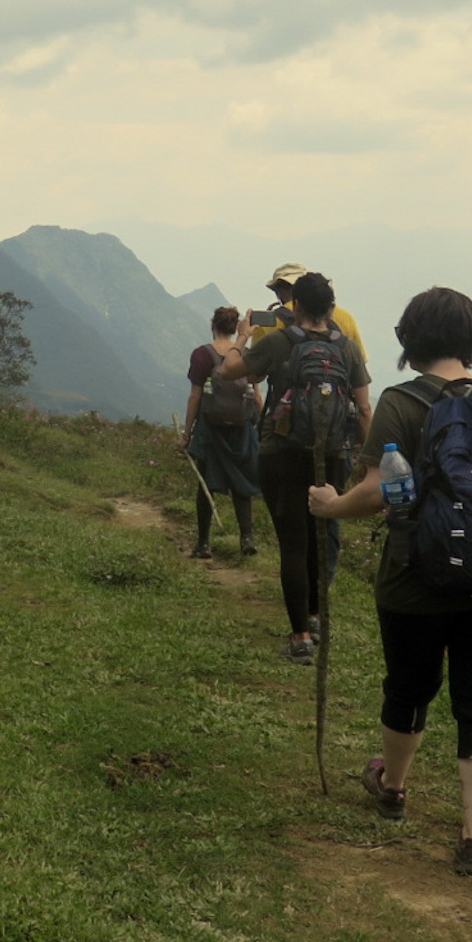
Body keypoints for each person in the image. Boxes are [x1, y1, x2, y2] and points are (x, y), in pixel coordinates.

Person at [307, 286, 472, 879]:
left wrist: (331, 506)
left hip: (416, 581)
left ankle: (393, 787)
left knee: (410, 686)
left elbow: (376, 492)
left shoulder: (401, 403)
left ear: (409, 340)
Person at [217, 271, 370, 664]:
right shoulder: (347, 349)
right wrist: (368, 462)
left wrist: (242, 337)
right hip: (332, 455)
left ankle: (301, 637)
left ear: (295, 305)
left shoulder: (280, 341)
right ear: (331, 307)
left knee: (294, 544)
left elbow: (228, 371)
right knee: (321, 535)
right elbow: (364, 408)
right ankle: (316, 617)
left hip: (281, 453)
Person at [176, 306, 261, 561]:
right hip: (242, 429)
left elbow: (195, 396)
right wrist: (262, 424)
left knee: (205, 484)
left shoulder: (202, 354)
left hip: (210, 428)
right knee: (241, 484)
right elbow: (256, 394)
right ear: (236, 328)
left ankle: (203, 544)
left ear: (213, 324)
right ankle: (247, 538)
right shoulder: (245, 354)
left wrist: (187, 434)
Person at [251, 263, 369, 364]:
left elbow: (254, 375)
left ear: (278, 291)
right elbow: (360, 362)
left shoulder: (270, 322)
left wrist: (243, 335)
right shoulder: (345, 317)